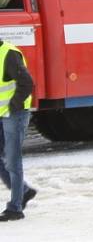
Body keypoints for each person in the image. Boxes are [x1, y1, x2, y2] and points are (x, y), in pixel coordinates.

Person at [0, 39, 37, 221]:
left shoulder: (9, 54)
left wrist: (13, 106)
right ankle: (24, 191)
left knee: (13, 162)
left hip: (14, 114)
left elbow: (27, 83)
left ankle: (15, 208)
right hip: (2, 114)